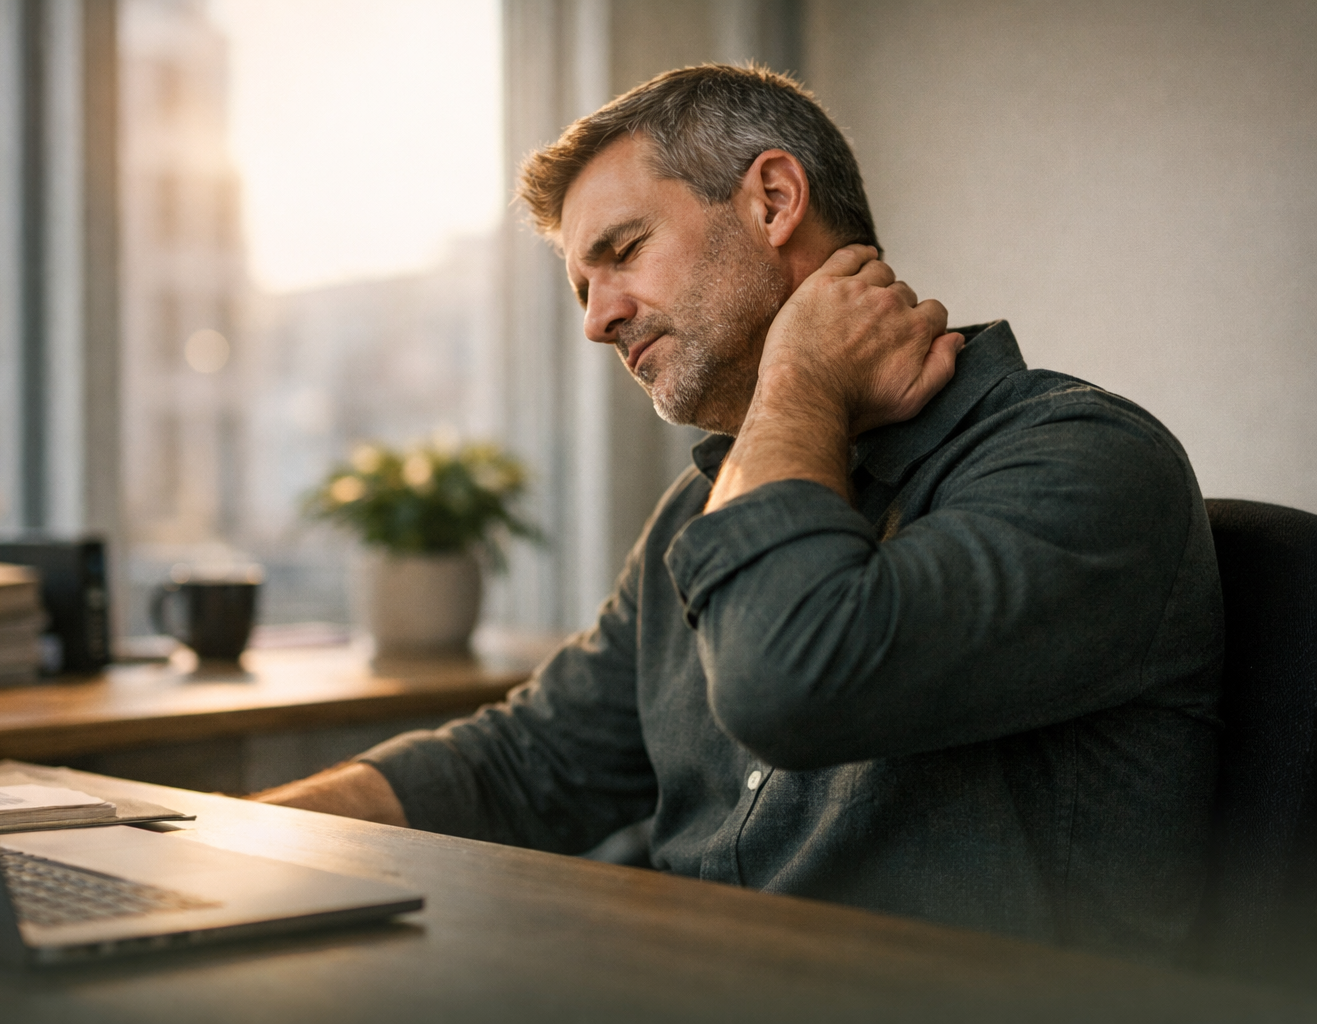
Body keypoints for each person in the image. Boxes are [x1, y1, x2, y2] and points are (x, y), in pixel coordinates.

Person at [252, 64, 1222, 960]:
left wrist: (799, 371)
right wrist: (235, 836)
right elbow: (530, 762)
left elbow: (792, 681)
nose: (596, 318)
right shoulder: (703, 504)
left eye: (622, 252)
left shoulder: (1089, 461)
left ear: (771, 200)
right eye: (583, 287)